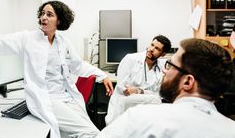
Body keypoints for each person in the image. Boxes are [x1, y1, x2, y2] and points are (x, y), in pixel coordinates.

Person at [0, 0, 114, 138]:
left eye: (49, 14)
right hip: (47, 99)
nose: (43, 17)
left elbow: (78, 65)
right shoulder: (28, 39)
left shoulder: (62, 42)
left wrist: (101, 75)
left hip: (66, 97)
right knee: (90, 134)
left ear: (59, 20)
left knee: (91, 131)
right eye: (42, 13)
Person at [100, 38, 235, 138]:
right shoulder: (230, 130)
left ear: (188, 82)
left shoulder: (140, 118)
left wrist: (139, 91)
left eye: (170, 65)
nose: (164, 71)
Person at [105, 35, 171, 125]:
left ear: (163, 54)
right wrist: (147, 92)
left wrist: (138, 90)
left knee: (157, 100)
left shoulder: (161, 67)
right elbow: (124, 90)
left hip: (145, 110)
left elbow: (159, 93)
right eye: (152, 45)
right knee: (155, 100)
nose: (151, 49)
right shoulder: (130, 59)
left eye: (157, 48)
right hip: (124, 106)